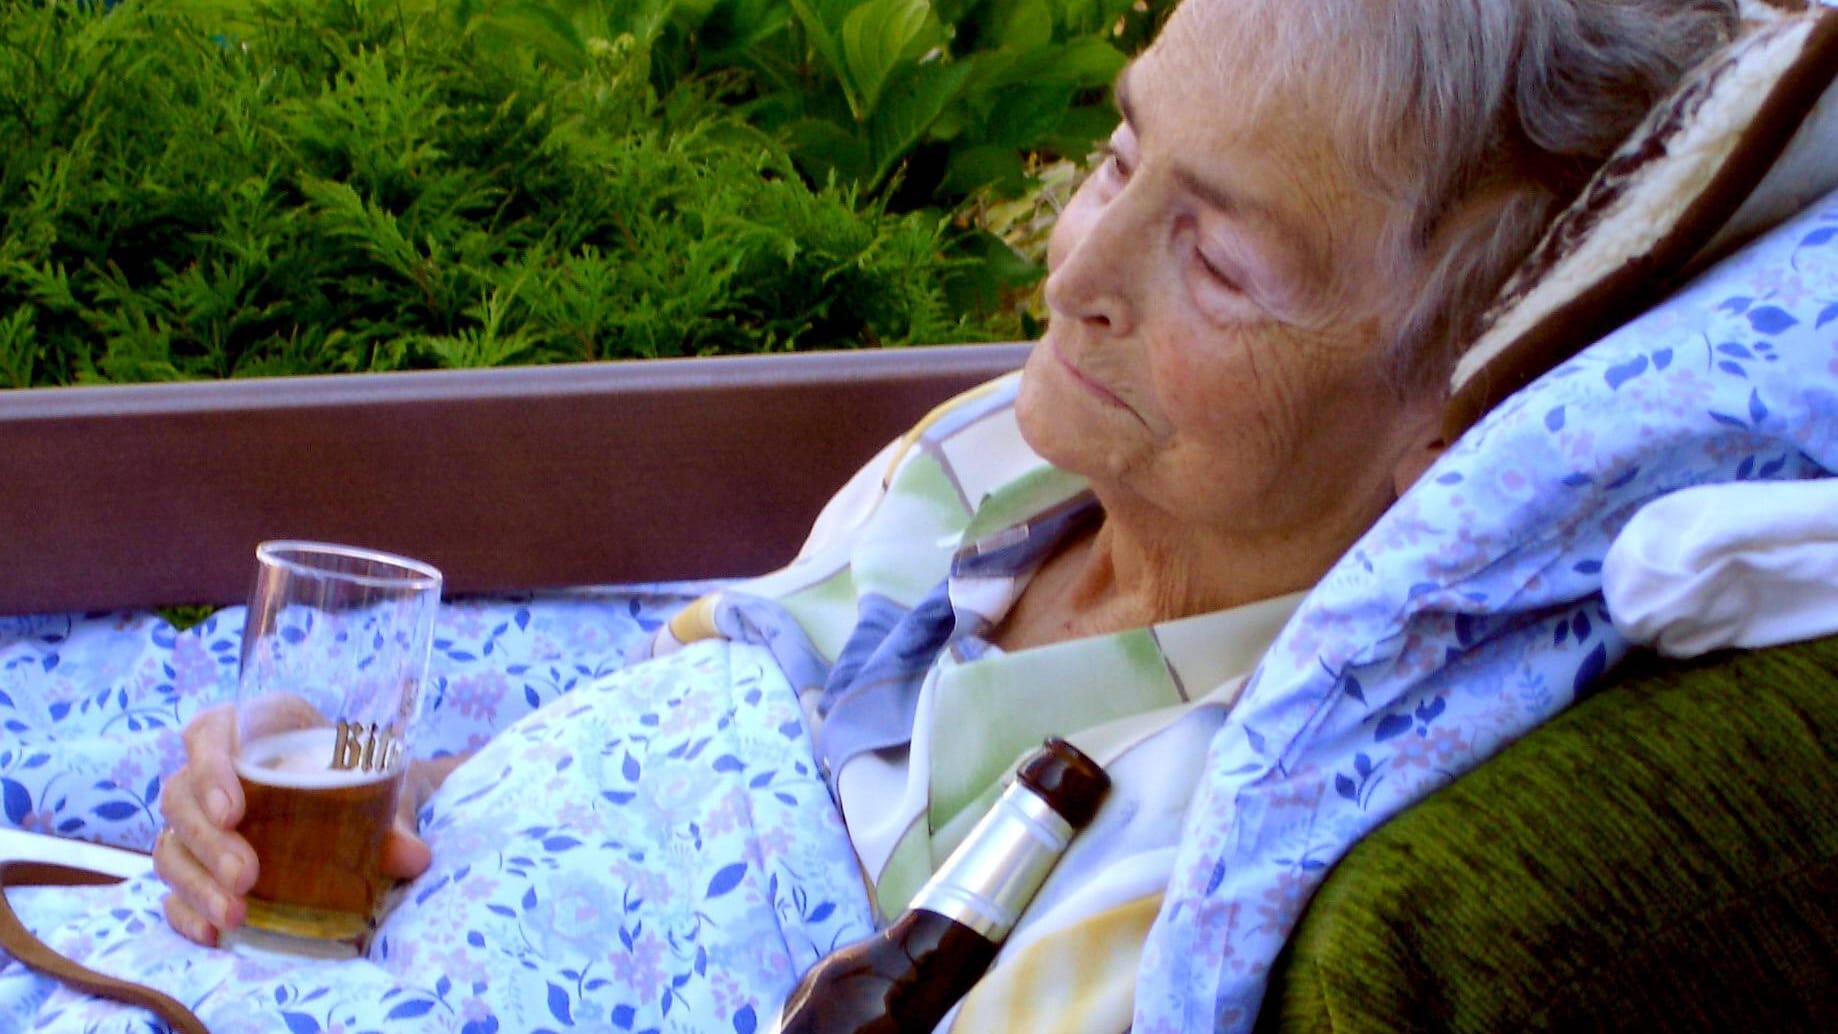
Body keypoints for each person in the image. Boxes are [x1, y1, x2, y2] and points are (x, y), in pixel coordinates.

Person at [152, 0, 1742, 1030]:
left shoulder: (1193, 840)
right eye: (1120, 154)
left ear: (1447, 410)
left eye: (1216, 262)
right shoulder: (988, 461)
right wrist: (327, 795)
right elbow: (689, 718)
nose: (1076, 272)